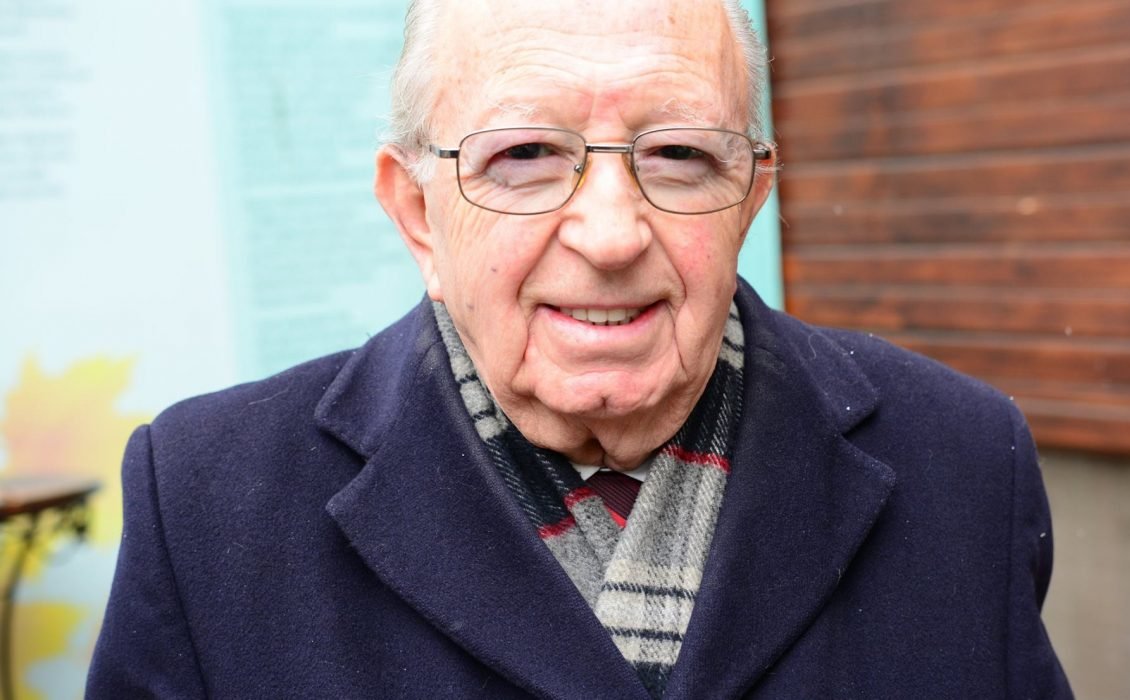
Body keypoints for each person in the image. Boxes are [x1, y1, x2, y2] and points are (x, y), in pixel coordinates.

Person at [88, 0, 1072, 697]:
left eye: (680, 155)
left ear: (749, 198)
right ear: (417, 215)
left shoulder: (962, 461)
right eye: (524, 155)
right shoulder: (207, 500)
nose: (610, 235)